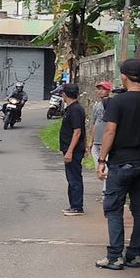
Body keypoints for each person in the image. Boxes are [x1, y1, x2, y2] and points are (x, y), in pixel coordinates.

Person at [96, 58, 140, 270]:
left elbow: (110, 131)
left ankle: (114, 257)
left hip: (121, 163)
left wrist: (102, 159)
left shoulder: (117, 102)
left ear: (124, 76)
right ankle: (134, 255)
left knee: (114, 209)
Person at [60, 83, 85, 215]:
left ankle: (77, 206)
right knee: (71, 177)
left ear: (65, 94)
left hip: (73, 150)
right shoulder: (71, 108)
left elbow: (77, 131)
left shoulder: (75, 110)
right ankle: (74, 205)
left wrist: (70, 151)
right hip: (72, 149)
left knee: (74, 177)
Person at [91, 80, 112, 191]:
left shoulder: (111, 104)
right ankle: (105, 190)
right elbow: (93, 123)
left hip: (105, 141)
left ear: (108, 90)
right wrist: (91, 141)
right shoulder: (96, 105)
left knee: (105, 169)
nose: (100, 91)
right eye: (99, 89)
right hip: (96, 142)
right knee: (98, 168)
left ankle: (105, 192)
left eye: (103, 88)